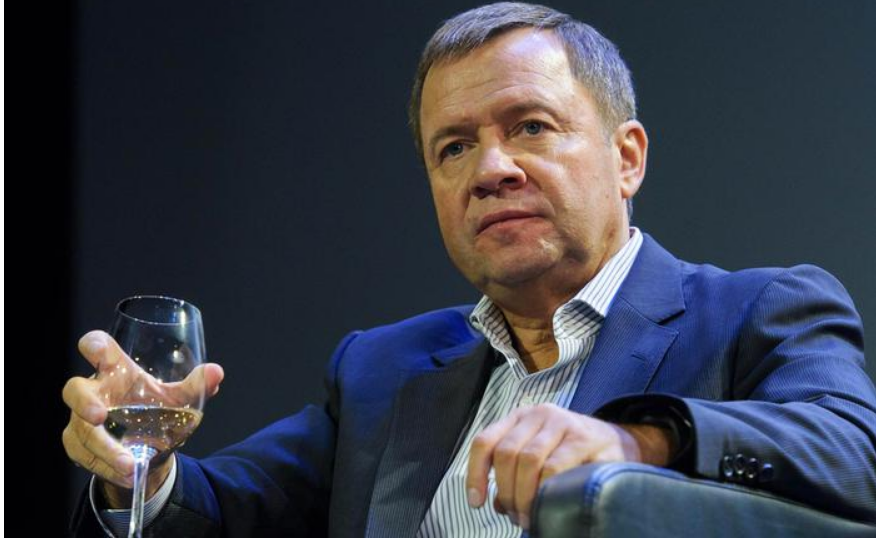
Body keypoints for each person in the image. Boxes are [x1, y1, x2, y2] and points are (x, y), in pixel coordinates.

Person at [64, 2, 876, 536]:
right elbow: (218, 513)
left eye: (531, 126)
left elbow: (856, 453)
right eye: (454, 147)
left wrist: (638, 439)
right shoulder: (380, 371)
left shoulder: (754, 312)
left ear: (627, 157)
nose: (491, 169)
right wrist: (140, 470)